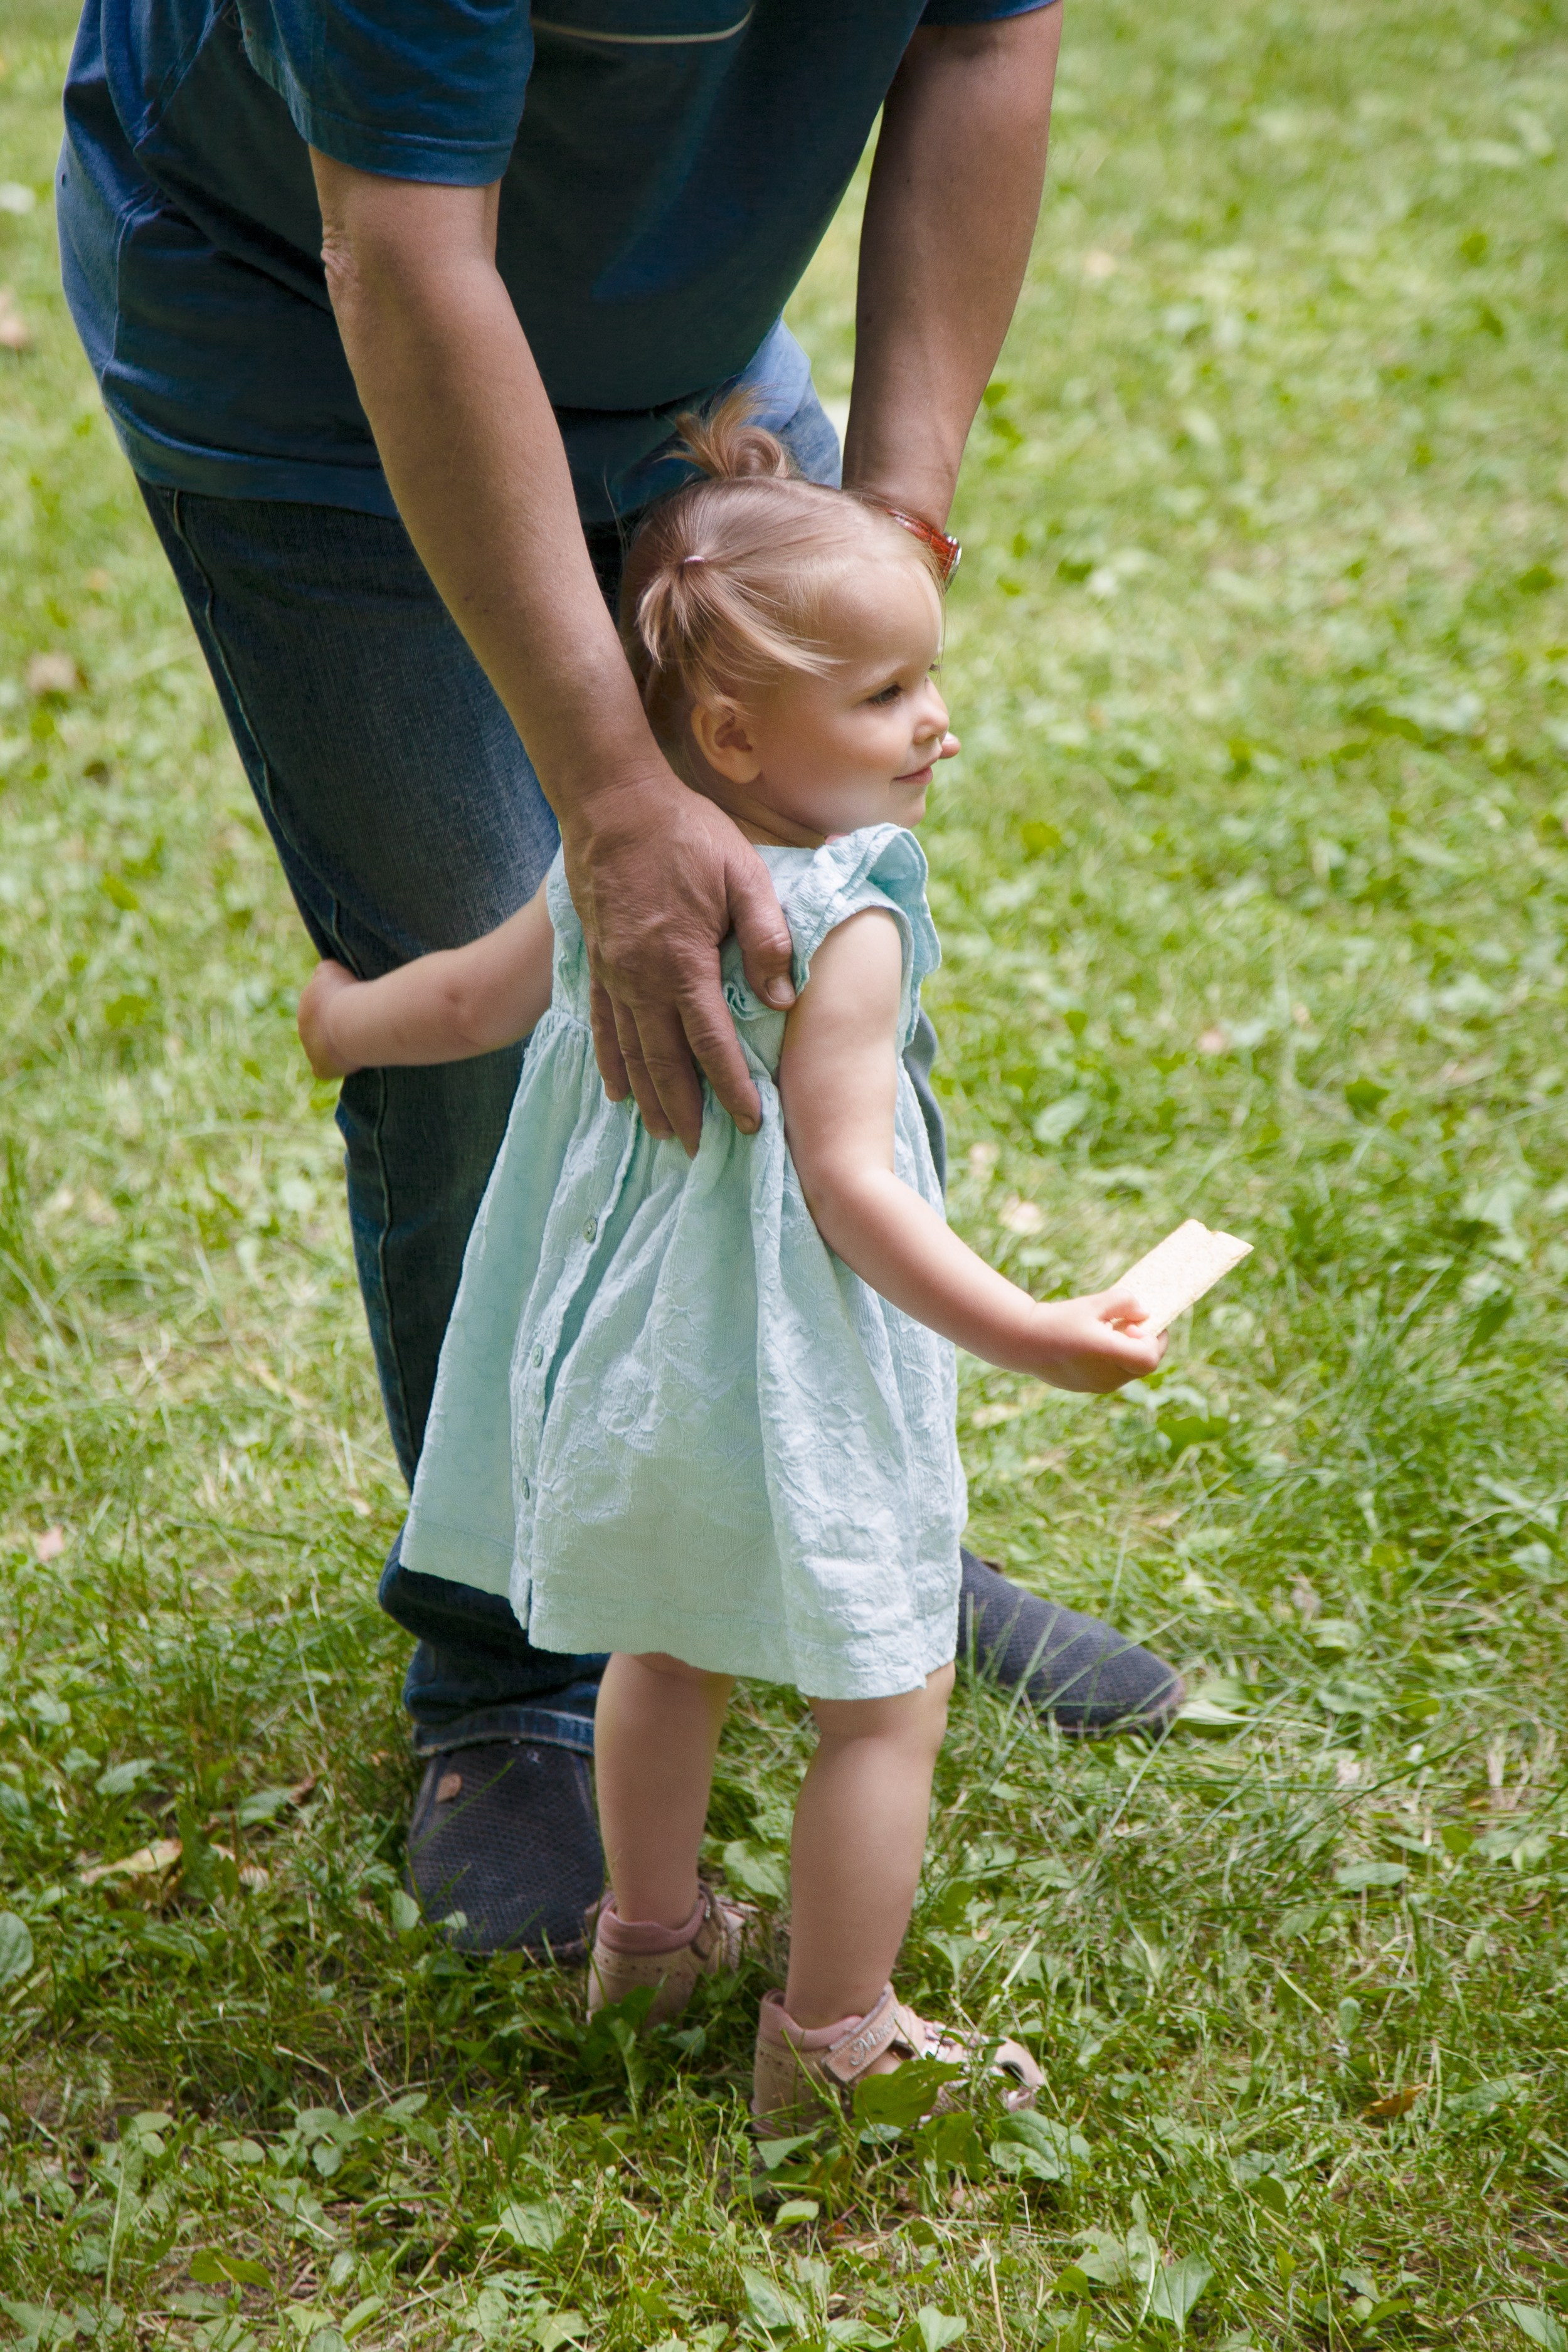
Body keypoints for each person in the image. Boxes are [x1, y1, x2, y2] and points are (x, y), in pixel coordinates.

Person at [58, 0, 1184, 1958]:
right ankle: (508, 1679)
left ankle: (831, 1519)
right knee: (528, 1025)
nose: (937, 714)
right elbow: (406, 247)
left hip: (678, 375)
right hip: (327, 347)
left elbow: (986, 38)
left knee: (805, 962)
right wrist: (599, 795)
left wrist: (885, 534)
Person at [297, 408, 1167, 2117]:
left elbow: (468, 1000)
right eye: (883, 698)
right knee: (883, 1697)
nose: (940, 722)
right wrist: (1030, 1331)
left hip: (628, 1357)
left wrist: (346, 1022)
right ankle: (833, 2044)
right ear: (729, 729)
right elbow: (847, 1188)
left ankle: (650, 1941)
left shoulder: (610, 864)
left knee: (661, 1648)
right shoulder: (840, 917)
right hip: (787, 1373)